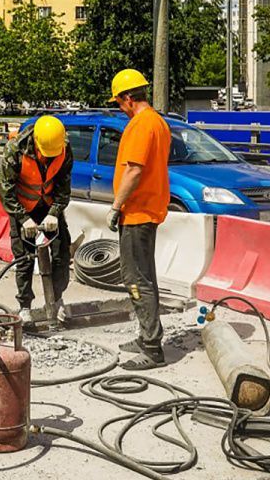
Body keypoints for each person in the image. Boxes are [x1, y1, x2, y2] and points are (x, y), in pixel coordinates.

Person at [106, 69, 171, 371]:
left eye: (119, 102)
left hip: (137, 212)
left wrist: (116, 206)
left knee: (136, 280)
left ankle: (153, 347)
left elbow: (134, 170)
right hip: (149, 209)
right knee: (145, 277)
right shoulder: (158, 122)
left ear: (129, 98)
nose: (120, 108)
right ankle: (147, 337)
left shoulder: (141, 125)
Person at [0, 115, 73, 324]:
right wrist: (23, 218)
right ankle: (25, 306)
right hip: (23, 209)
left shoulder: (63, 148)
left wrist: (54, 213)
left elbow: (63, 187)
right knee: (25, 260)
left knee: (61, 255)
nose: (48, 158)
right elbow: (6, 192)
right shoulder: (15, 150)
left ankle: (57, 300)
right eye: (44, 154)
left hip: (48, 207)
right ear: (36, 142)